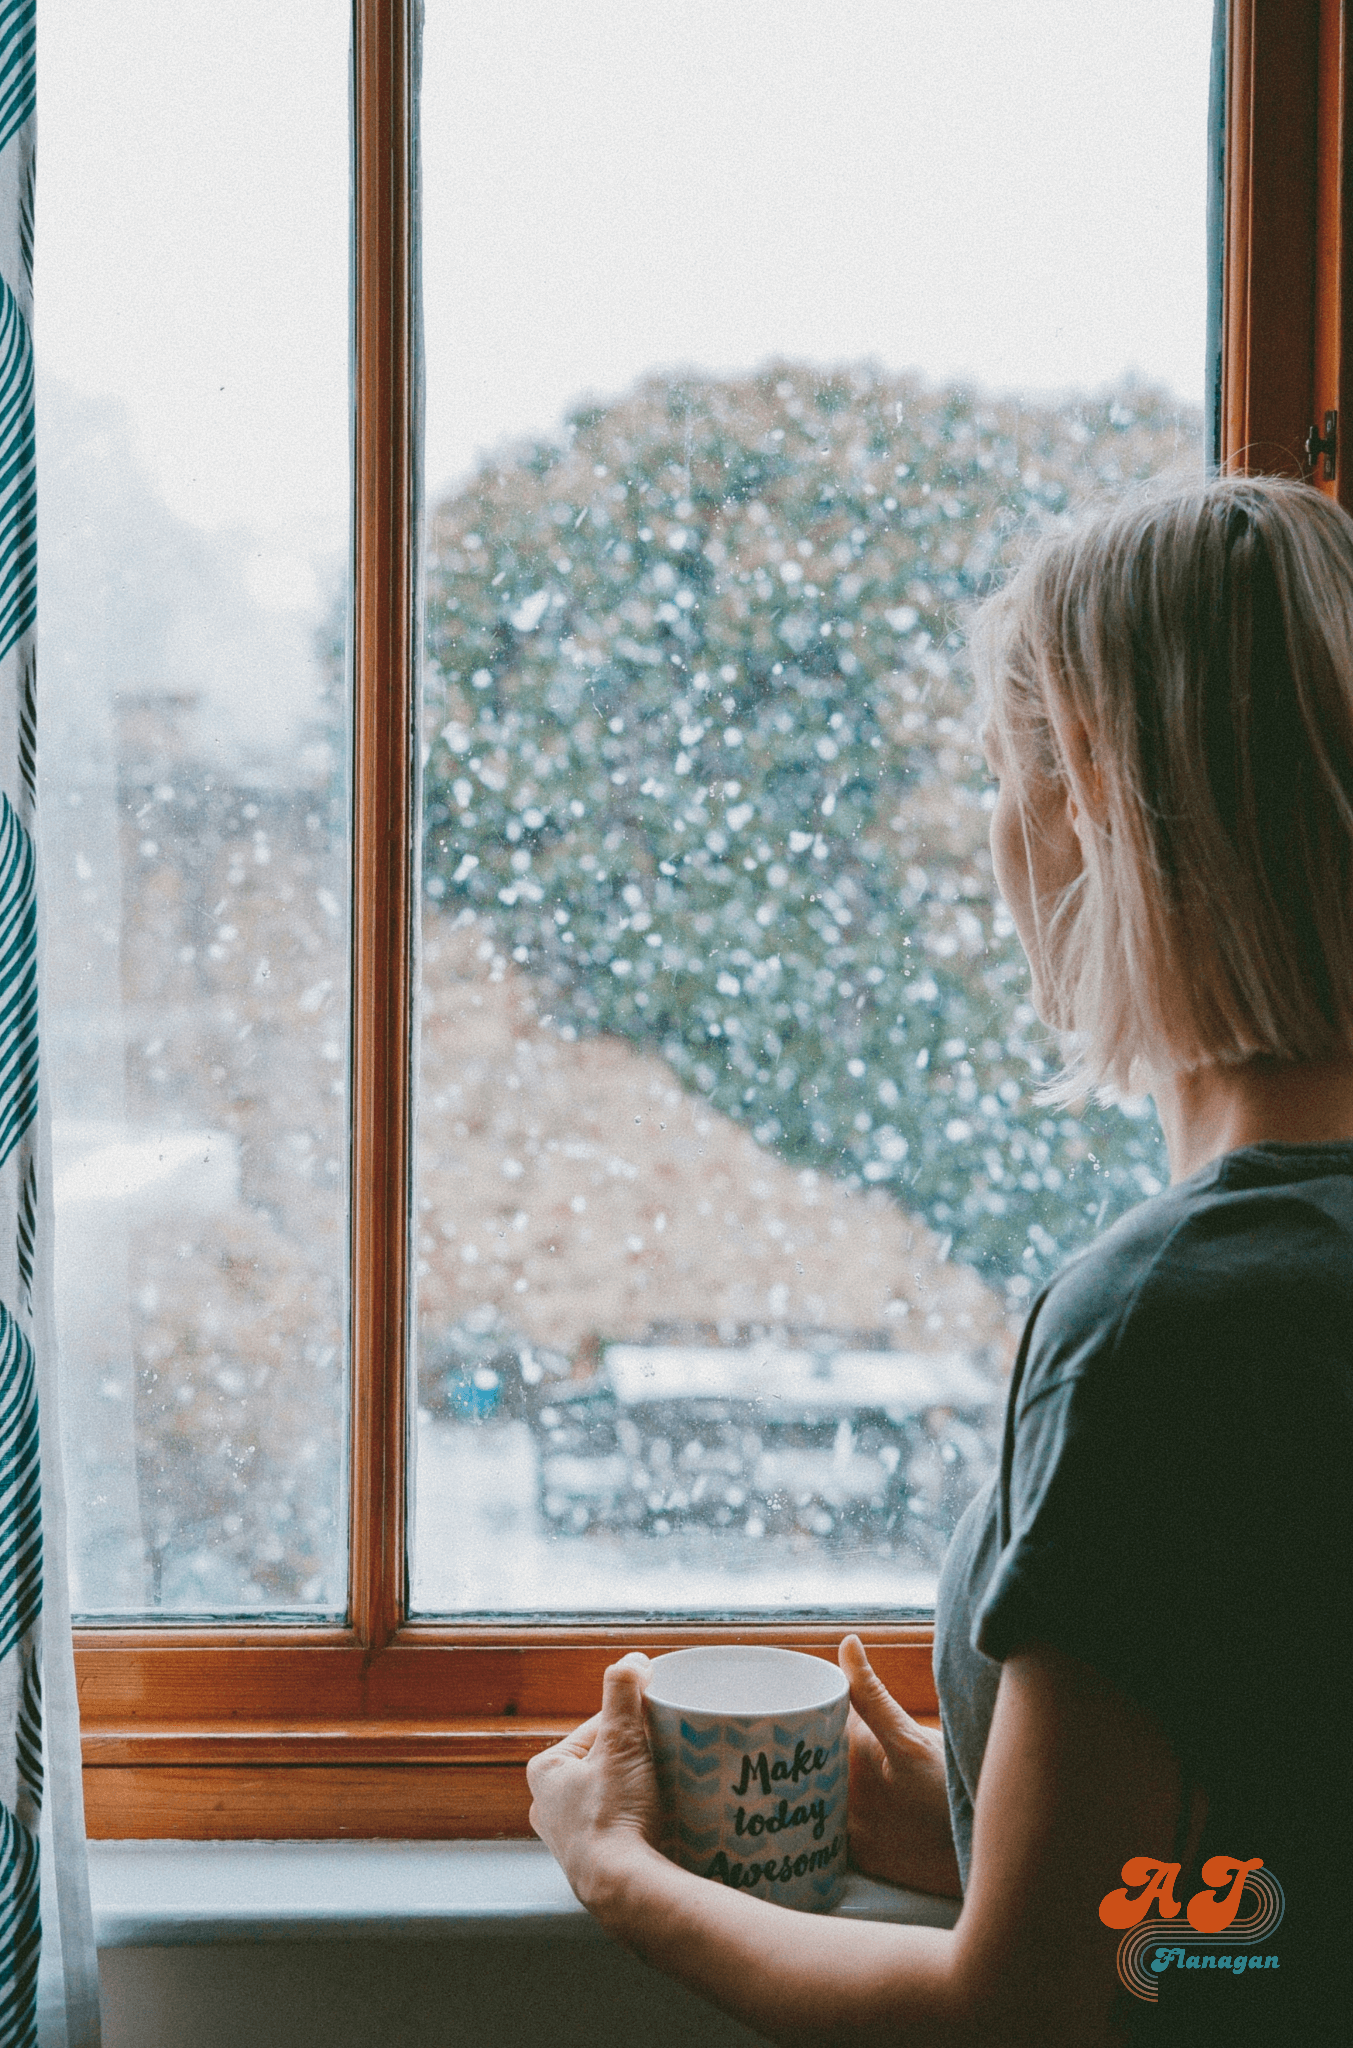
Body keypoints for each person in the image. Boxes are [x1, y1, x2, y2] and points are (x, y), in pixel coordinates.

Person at [527, 474, 1353, 2046]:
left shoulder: (1166, 1324)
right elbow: (1282, 1895)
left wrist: (618, 1870)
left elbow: (1027, 2012)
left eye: (998, 773)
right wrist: (979, 1811)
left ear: (1093, 800)